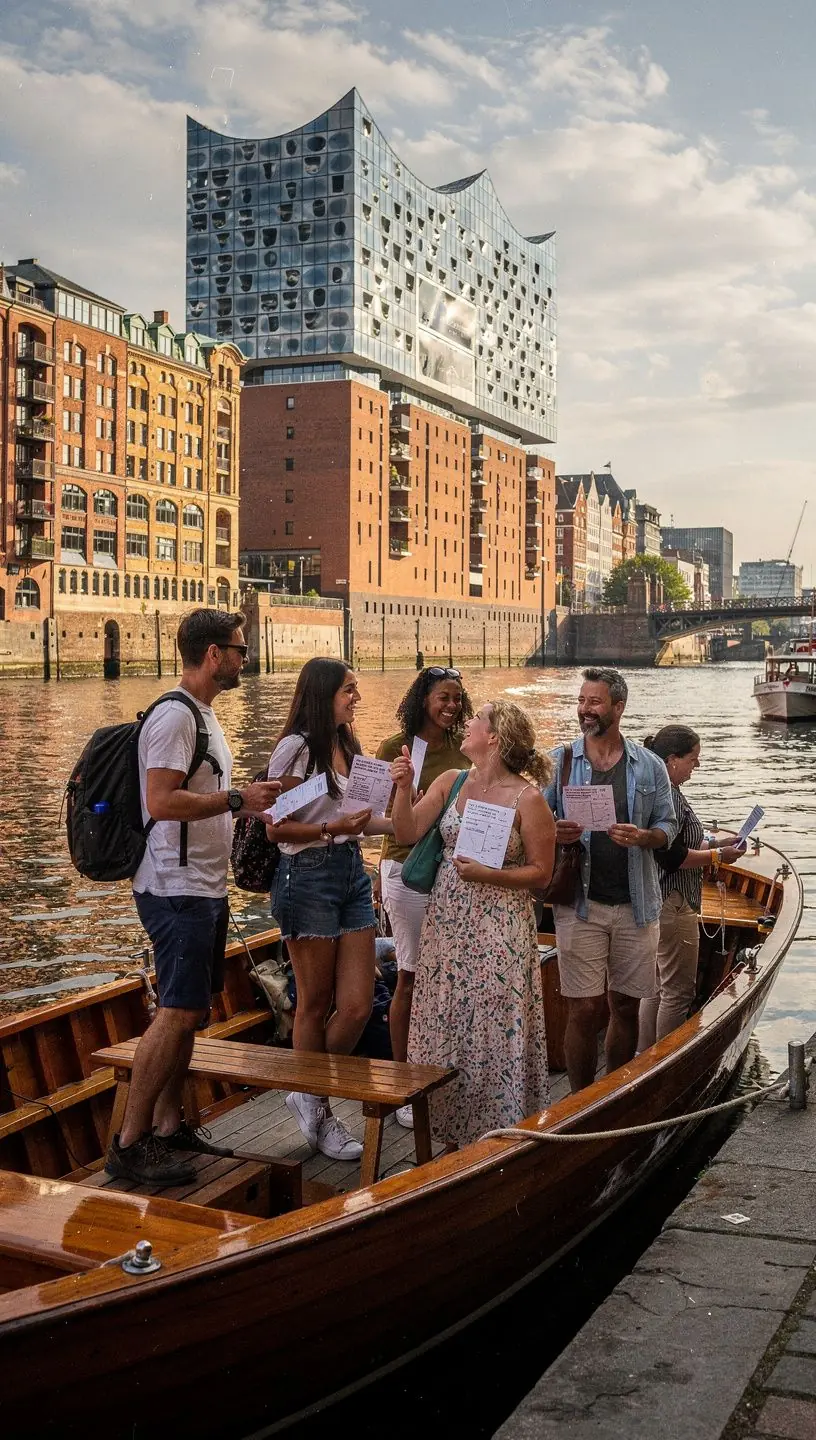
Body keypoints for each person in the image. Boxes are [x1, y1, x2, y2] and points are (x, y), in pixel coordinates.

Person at [106, 609, 282, 1186]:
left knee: (191, 1013)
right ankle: (129, 1143)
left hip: (203, 885)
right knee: (178, 1012)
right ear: (212, 655)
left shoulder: (203, 716)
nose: (244, 657)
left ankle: (166, 1129)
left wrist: (239, 799)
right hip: (173, 888)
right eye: (238, 648)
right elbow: (159, 802)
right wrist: (237, 802)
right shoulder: (176, 717)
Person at [390, 700, 555, 1148]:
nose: (467, 724)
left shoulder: (529, 798)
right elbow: (405, 833)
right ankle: (446, 1132)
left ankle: (497, 1134)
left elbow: (542, 873)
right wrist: (403, 788)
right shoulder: (451, 781)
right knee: (448, 1020)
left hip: (500, 925)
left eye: (477, 720)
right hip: (448, 922)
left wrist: (490, 875)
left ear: (496, 737)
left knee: (493, 1020)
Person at [267, 658, 392, 1162]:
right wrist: (329, 830)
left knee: (359, 1003)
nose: (356, 698)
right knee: (314, 1004)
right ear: (323, 694)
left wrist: (416, 809)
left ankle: (307, 1092)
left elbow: (364, 821)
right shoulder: (296, 748)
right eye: (348, 690)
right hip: (308, 875)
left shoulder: (349, 746)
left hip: (349, 870)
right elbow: (276, 827)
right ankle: (317, 1108)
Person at [543, 668, 677, 1094]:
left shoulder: (649, 766)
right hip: (580, 905)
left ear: (618, 707)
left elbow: (668, 826)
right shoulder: (558, 761)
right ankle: (580, 1101)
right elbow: (533, 823)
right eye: (582, 701)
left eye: (594, 702)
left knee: (625, 1005)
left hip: (636, 906)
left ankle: (612, 1092)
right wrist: (554, 830)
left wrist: (644, 837)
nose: (585, 710)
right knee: (583, 1010)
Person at [376, 667, 472, 1126]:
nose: (451, 706)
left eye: (457, 698)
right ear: (423, 700)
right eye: (442, 697)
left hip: (452, 871)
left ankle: (441, 1068)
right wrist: (402, 794)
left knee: (447, 976)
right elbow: (375, 816)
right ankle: (403, 1084)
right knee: (410, 976)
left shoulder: (465, 748)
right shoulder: (396, 749)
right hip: (406, 867)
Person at [637, 725, 747, 1050]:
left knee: (656, 986)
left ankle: (644, 1055)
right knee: (678, 991)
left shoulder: (657, 788)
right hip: (673, 901)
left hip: (657, 899)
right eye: (693, 760)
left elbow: (679, 841)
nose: (696, 767)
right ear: (672, 759)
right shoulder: (667, 794)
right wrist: (717, 855)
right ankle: (662, 1064)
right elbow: (672, 857)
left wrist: (715, 841)